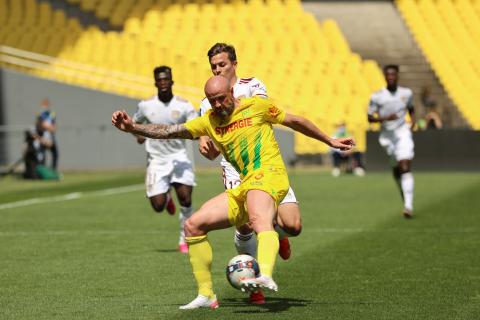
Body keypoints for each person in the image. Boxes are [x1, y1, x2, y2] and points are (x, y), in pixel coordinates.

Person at [112, 75, 354, 309]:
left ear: (231, 92)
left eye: (220, 98)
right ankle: (206, 295)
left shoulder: (257, 106)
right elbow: (170, 130)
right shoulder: (209, 120)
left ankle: (265, 275)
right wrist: (133, 126)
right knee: (193, 225)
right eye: (212, 100)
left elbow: (294, 121)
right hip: (245, 183)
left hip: (269, 174)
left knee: (259, 219)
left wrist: (328, 140)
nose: (217, 104)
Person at [198, 43, 302, 304]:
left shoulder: (253, 86)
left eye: (222, 64)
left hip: (265, 164)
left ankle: (278, 233)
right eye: (213, 66)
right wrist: (205, 146)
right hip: (235, 169)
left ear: (234, 63)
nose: (218, 69)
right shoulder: (206, 103)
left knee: (294, 226)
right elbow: (210, 148)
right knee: (247, 224)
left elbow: (263, 114)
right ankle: (254, 285)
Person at [132, 66, 197, 253]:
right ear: (155, 83)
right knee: (158, 206)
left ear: (171, 81)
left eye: (166, 79)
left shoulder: (184, 106)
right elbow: (134, 124)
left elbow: (195, 126)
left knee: (185, 199)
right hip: (157, 160)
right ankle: (166, 197)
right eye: (159, 80)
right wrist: (138, 134)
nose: (163, 83)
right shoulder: (145, 105)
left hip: (179, 158)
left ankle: (184, 239)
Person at [368, 64, 415, 218]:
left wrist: (413, 121)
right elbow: (369, 117)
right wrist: (385, 118)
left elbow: (411, 108)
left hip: (403, 133)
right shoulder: (377, 96)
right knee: (397, 169)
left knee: (405, 165)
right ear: (385, 76)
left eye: (393, 75)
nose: (391, 77)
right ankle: (404, 191)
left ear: (397, 76)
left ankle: (408, 206)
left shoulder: (406, 93)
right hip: (387, 137)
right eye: (388, 75)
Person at [38, 98, 58, 170]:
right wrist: (49, 127)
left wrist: (50, 127)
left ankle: (53, 169)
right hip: (43, 138)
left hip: (51, 138)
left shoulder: (51, 114)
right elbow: (43, 125)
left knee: (55, 154)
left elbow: (54, 127)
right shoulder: (41, 114)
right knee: (42, 154)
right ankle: (41, 169)